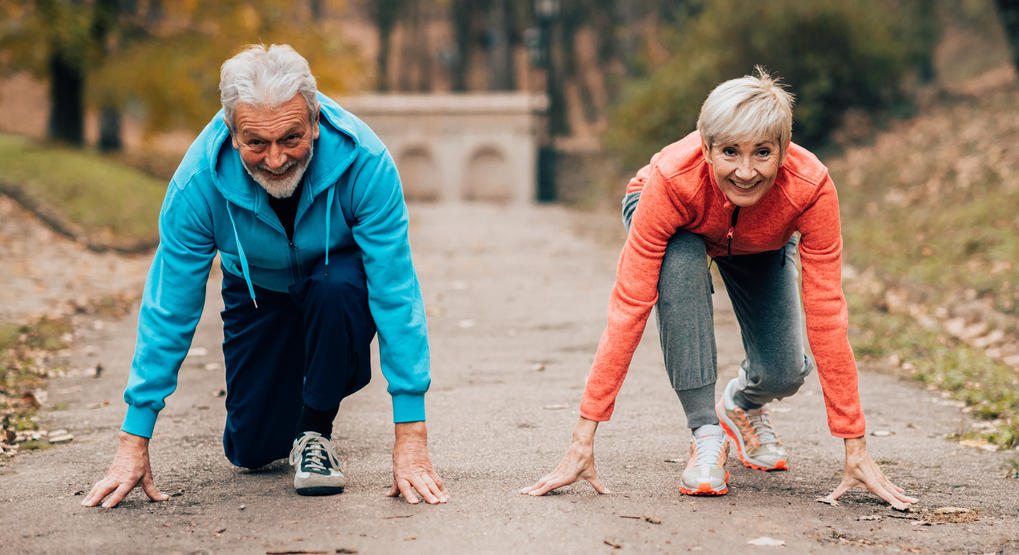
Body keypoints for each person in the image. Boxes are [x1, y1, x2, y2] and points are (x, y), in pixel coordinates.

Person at [522, 68, 916, 509]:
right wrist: (584, 435)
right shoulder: (673, 179)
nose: (745, 171)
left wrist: (854, 444)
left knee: (784, 371)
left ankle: (742, 405)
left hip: (762, 236)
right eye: (729, 152)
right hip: (679, 217)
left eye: (762, 153)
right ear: (706, 148)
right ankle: (706, 432)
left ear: (784, 151)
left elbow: (827, 310)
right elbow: (630, 305)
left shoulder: (811, 187)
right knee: (682, 254)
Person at [83, 44, 448, 508]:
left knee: (336, 290)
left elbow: (396, 292)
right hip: (257, 292)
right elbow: (169, 307)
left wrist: (411, 435)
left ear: (314, 121)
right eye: (256, 143)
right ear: (231, 132)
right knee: (252, 450)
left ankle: (315, 430)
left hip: (336, 288)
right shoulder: (197, 185)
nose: (276, 159)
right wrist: (133, 440)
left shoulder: (365, 163)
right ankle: (301, 391)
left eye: (291, 138)